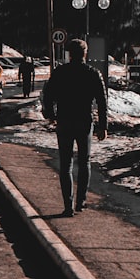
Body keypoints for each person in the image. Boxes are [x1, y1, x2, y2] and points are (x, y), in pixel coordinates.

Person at [40, 39, 108, 217]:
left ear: (69, 54)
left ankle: (68, 205)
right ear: (85, 53)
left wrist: (51, 114)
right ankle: (81, 201)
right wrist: (103, 126)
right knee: (84, 162)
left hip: (64, 121)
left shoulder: (60, 72)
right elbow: (102, 101)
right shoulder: (93, 73)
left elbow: (48, 95)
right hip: (84, 121)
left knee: (66, 164)